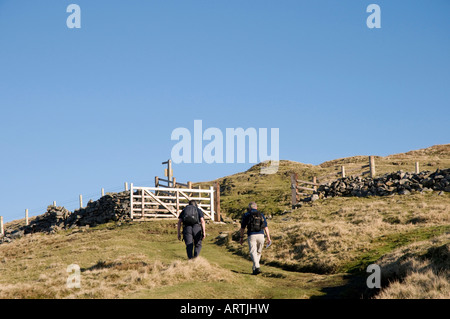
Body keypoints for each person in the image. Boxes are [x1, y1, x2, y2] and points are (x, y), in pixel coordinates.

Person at [239, 202, 271, 275]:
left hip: (251, 235)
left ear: (249, 208)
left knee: (253, 251)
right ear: (256, 207)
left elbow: (242, 228)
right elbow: (266, 227)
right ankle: (254, 269)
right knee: (258, 252)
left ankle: (257, 266)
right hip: (261, 235)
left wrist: (241, 237)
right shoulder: (261, 214)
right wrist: (268, 238)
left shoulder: (246, 215)